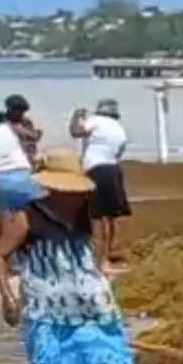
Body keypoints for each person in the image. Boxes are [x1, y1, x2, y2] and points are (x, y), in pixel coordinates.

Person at [0, 148, 144, 364]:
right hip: (45, 305)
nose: (73, 196)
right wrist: (7, 297)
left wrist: (98, 271)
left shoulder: (85, 211)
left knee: (106, 359)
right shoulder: (25, 216)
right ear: (52, 187)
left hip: (88, 303)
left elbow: (98, 240)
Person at [69, 98, 130, 275]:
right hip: (113, 169)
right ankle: (106, 256)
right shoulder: (120, 129)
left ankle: (99, 261)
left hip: (96, 170)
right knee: (111, 218)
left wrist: (75, 116)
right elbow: (118, 153)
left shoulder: (95, 121)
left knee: (96, 217)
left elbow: (75, 132)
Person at [0, 109, 42, 254]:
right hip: (21, 174)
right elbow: (32, 137)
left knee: (5, 214)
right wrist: (37, 134)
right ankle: (15, 248)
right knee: (27, 212)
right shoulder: (9, 127)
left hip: (0, 177)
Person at [5, 94, 43, 166]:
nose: (20, 113)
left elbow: (34, 138)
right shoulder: (2, 124)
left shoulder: (26, 122)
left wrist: (37, 135)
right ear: (10, 109)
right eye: (18, 110)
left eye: (22, 111)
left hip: (27, 160)